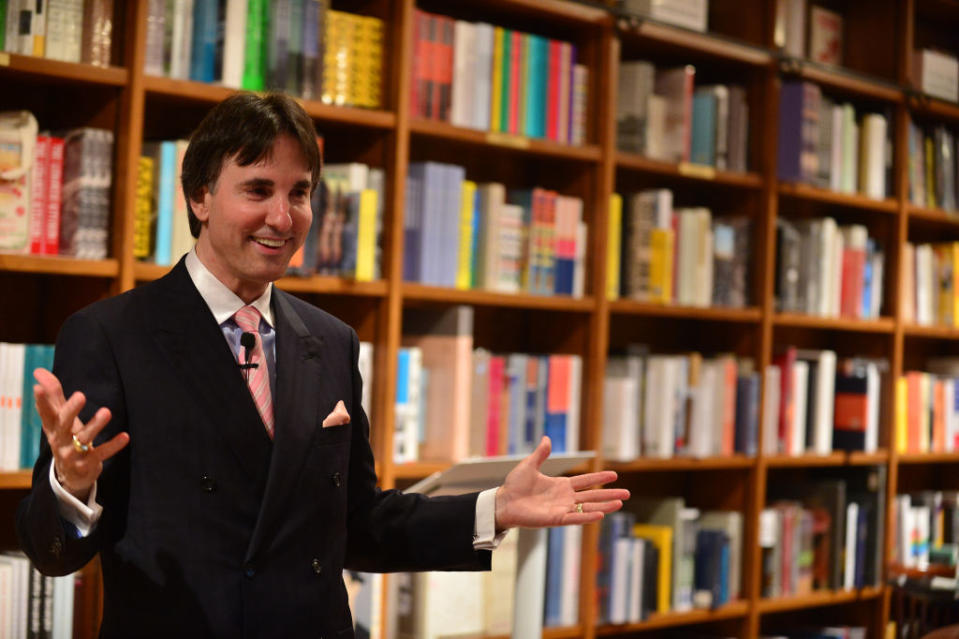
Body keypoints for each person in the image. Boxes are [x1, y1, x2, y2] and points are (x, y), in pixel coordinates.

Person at [15, 92, 629, 638]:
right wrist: (71, 485)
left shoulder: (331, 340)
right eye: (258, 190)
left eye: (300, 193)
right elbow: (52, 553)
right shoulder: (111, 333)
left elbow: (358, 526)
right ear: (200, 197)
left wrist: (492, 508)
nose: (283, 219)